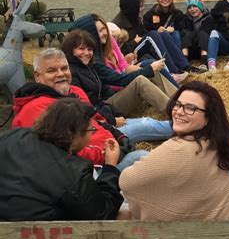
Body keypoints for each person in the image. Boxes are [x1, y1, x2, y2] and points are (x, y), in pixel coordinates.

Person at [119, 81, 229, 220]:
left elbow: (126, 181)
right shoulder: (221, 140)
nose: (179, 112)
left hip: (207, 231)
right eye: (177, 105)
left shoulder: (176, 149)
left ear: (208, 116)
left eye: (190, 108)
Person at [12, 49, 148, 170]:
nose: (60, 74)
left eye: (64, 68)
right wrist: (111, 153)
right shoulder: (36, 109)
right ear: (37, 76)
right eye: (51, 70)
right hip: (91, 170)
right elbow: (66, 154)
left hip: (109, 150)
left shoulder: (74, 92)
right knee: (144, 158)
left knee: (146, 123)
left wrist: (119, 136)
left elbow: (97, 121)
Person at [0, 99, 123, 221]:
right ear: (73, 135)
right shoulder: (73, 172)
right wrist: (110, 166)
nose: (91, 136)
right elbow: (104, 214)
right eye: (91, 130)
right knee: (126, 212)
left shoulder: (13, 136)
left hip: (9, 225)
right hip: (39, 236)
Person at [61, 30, 174, 144]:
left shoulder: (89, 66)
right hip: (102, 120)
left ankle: (178, 103)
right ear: (71, 50)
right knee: (142, 84)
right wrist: (112, 120)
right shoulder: (72, 74)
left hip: (106, 110)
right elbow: (85, 107)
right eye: (81, 49)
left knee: (148, 119)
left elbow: (118, 74)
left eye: (89, 49)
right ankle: (175, 113)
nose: (86, 53)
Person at [72, 14, 177, 116]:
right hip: (107, 107)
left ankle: (180, 100)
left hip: (112, 97)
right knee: (142, 79)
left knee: (150, 70)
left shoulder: (98, 50)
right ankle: (175, 113)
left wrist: (147, 70)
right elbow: (118, 80)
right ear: (90, 34)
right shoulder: (92, 59)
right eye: (99, 31)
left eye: (104, 28)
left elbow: (122, 66)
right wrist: (148, 70)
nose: (104, 33)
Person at [113, 0, 191, 75]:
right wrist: (134, 42)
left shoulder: (135, 19)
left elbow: (144, 33)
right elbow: (117, 51)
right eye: (139, 6)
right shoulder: (117, 26)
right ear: (132, 7)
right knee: (152, 35)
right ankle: (173, 71)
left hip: (139, 46)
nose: (142, 9)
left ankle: (185, 66)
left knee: (163, 33)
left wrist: (158, 33)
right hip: (130, 54)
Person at [139, 0, 191, 79]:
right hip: (156, 48)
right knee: (163, 34)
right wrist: (156, 30)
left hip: (174, 43)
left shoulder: (177, 13)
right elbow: (146, 32)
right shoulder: (150, 14)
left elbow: (184, 30)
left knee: (175, 34)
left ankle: (184, 65)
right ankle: (176, 68)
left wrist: (174, 29)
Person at [177, 0, 215, 71]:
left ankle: (204, 62)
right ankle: (185, 61)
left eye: (195, 6)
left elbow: (208, 31)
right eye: (189, 7)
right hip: (190, 49)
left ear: (200, 7)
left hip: (203, 48)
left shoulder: (208, 18)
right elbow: (182, 29)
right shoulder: (186, 18)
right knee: (186, 33)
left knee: (203, 33)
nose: (192, 9)